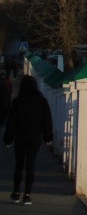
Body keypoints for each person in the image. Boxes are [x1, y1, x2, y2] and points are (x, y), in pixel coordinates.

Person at [3, 74, 54, 206]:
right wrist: (47, 137)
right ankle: (27, 195)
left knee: (19, 165)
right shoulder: (42, 101)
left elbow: (11, 122)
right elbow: (47, 120)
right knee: (30, 166)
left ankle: (15, 193)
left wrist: (8, 139)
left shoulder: (18, 101)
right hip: (35, 138)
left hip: (20, 137)